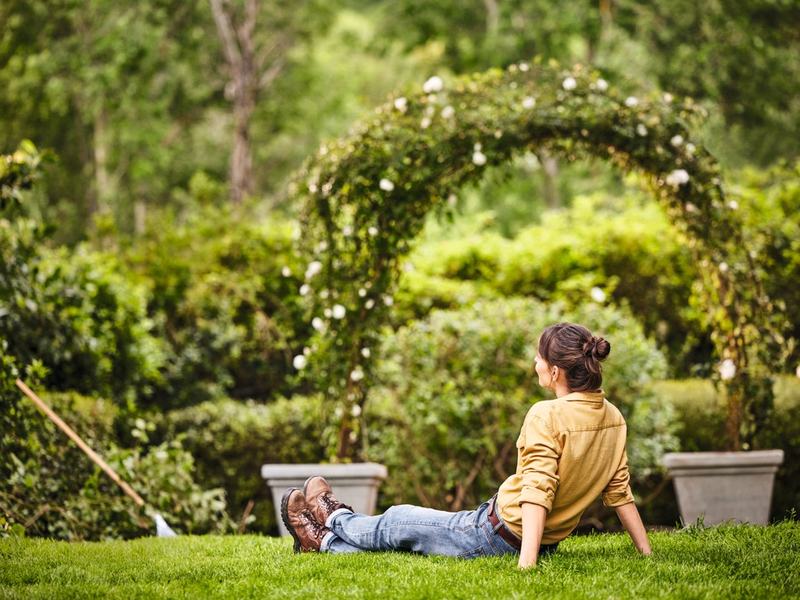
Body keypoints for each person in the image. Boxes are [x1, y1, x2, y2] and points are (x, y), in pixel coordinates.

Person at [281, 322, 652, 568]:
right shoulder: (613, 416)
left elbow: (538, 493)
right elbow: (618, 489)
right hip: (524, 535)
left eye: (539, 357)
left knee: (396, 521)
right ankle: (325, 540)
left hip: (492, 534)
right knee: (400, 545)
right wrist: (645, 553)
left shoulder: (547, 415)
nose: (534, 363)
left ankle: (330, 519)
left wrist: (527, 565)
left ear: (555, 371)